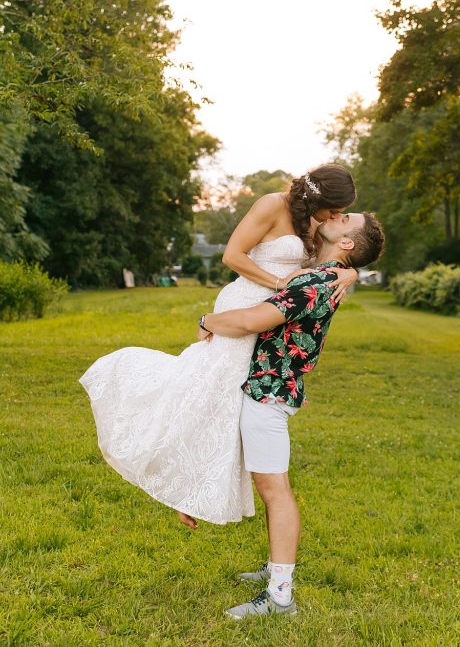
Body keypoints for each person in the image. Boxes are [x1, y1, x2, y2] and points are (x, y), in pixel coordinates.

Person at [79, 166, 359, 527]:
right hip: (247, 305)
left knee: (227, 405)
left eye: (340, 214)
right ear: (320, 198)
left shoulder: (315, 223)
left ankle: (193, 488)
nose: (336, 217)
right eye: (334, 209)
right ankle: (175, 478)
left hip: (270, 319)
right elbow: (232, 256)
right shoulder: (271, 205)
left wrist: (352, 273)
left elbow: (336, 255)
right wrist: (278, 282)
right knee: (208, 391)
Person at [194, 211, 386, 619]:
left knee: (275, 492)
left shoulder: (317, 282)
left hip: (270, 393)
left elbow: (250, 321)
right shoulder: (324, 274)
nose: (335, 215)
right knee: (272, 489)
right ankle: (274, 568)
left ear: (347, 243)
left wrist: (206, 320)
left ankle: (281, 596)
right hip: (271, 387)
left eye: (344, 217)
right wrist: (354, 273)